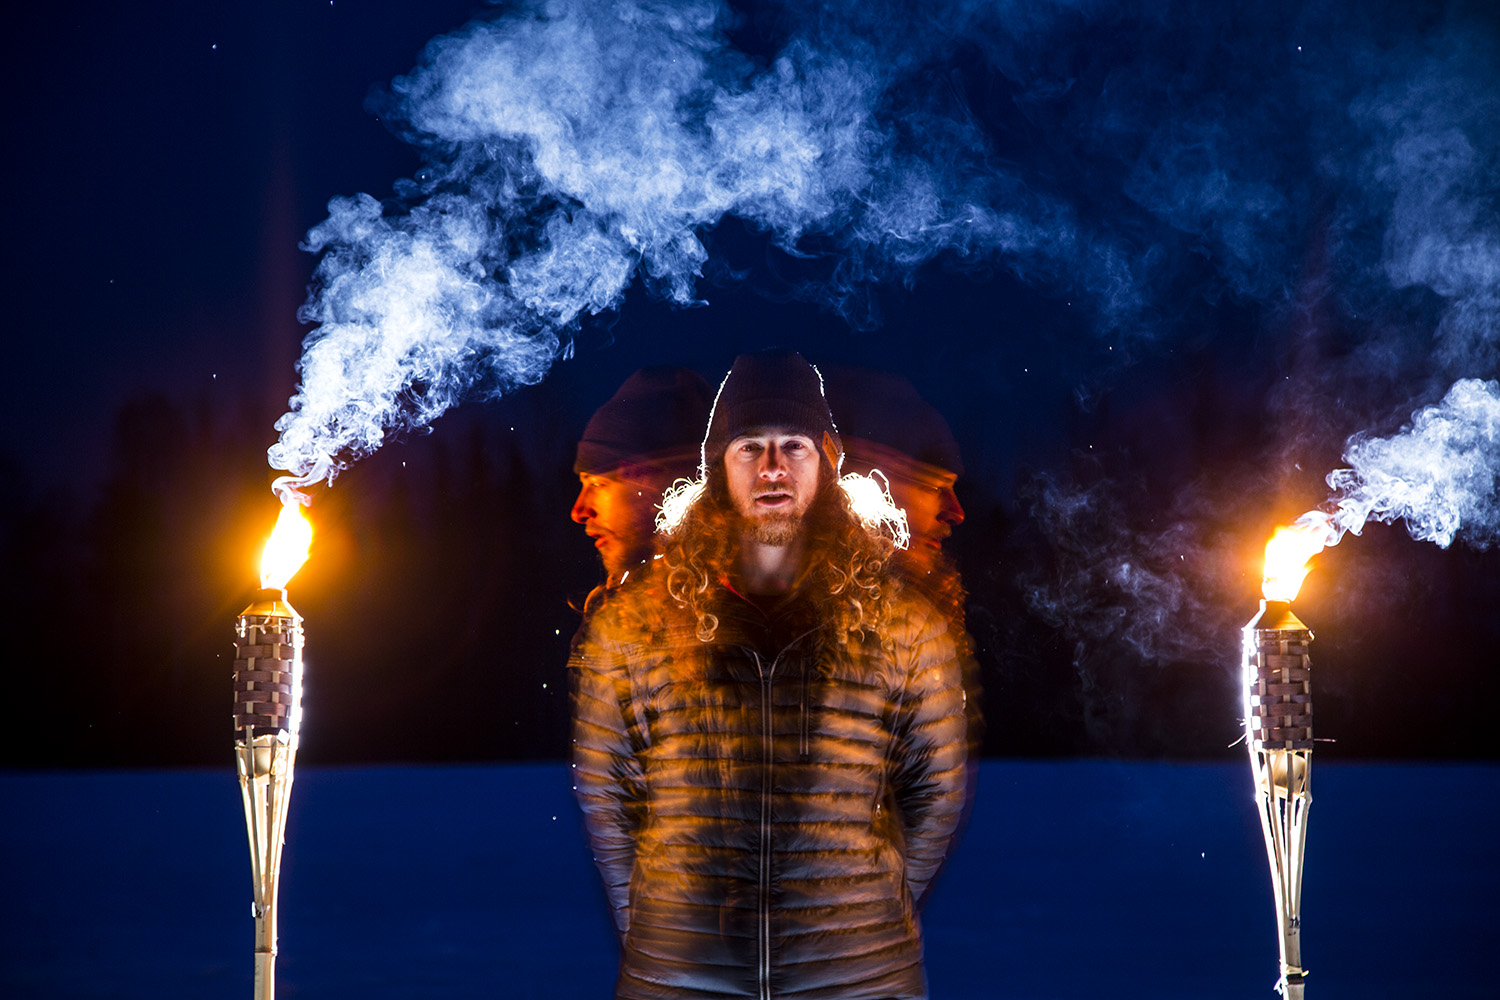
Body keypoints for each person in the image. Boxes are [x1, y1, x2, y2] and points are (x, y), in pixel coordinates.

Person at [570, 350, 970, 1000]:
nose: (773, 466)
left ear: (830, 462)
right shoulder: (640, 627)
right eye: (750, 447)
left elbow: (935, 796)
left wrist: (860, 925)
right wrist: (662, 934)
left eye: (794, 446)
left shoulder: (896, 623)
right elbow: (609, 798)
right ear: (717, 468)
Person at [571, 366, 714, 598]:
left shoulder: (732, 619)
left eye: (597, 483)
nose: (578, 511)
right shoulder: (617, 617)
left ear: (651, 480)